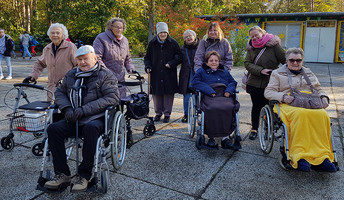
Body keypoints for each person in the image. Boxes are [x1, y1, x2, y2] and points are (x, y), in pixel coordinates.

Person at [43, 45, 120, 192]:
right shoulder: (71, 74)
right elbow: (59, 92)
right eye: (79, 60)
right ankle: (62, 174)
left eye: (86, 59)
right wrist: (67, 109)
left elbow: (112, 97)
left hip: (95, 118)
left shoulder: (105, 75)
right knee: (53, 129)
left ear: (95, 58)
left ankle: (84, 175)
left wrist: (84, 110)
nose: (83, 62)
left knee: (91, 129)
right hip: (73, 117)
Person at [264, 47, 337, 172]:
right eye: (292, 60)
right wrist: (282, 97)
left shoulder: (308, 72)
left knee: (322, 116)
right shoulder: (277, 73)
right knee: (300, 116)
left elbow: (318, 89)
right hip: (288, 103)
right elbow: (268, 92)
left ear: (302, 60)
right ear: (286, 60)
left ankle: (322, 156)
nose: (295, 63)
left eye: (299, 60)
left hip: (309, 102)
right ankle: (299, 155)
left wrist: (324, 97)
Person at [244, 25, 286, 140]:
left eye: (256, 35)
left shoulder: (274, 46)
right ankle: (254, 128)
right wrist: (260, 70)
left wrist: (279, 73)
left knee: (271, 106)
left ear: (262, 33)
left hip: (271, 83)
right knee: (256, 107)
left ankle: (268, 128)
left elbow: (286, 60)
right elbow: (247, 63)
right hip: (254, 82)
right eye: (252, 37)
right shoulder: (251, 47)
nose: (254, 38)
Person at [192, 51, 239, 149]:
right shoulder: (201, 71)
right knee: (212, 108)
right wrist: (209, 90)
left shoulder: (224, 71)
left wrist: (229, 91)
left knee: (229, 107)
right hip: (209, 96)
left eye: (216, 60)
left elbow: (233, 82)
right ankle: (211, 137)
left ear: (219, 61)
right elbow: (195, 82)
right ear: (207, 62)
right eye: (211, 60)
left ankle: (225, 138)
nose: (214, 62)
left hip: (224, 95)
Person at [23, 23, 77, 100]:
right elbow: (40, 63)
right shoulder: (47, 49)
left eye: (58, 33)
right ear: (49, 35)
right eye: (52, 33)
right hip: (51, 88)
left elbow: (78, 65)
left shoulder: (70, 47)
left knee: (66, 109)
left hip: (67, 86)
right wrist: (33, 76)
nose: (55, 35)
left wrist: (69, 78)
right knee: (51, 109)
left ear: (63, 35)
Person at [144, 22, 182, 123]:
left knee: (168, 94)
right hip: (156, 72)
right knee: (157, 94)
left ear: (167, 32)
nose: (163, 34)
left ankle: (167, 114)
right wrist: (148, 66)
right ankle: (158, 113)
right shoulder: (152, 43)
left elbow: (179, 56)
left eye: (165, 32)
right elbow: (147, 57)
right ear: (158, 33)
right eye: (161, 32)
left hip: (169, 73)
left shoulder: (173, 43)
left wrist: (171, 63)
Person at [93, 17, 135, 98]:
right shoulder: (101, 38)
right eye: (116, 27)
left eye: (121, 27)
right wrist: (106, 72)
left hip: (121, 78)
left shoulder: (125, 40)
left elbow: (127, 58)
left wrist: (131, 68)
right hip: (105, 78)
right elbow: (96, 57)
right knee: (109, 102)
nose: (119, 29)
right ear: (111, 27)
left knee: (121, 101)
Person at [179, 29, 199, 122]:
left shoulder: (201, 46)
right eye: (186, 37)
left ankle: (199, 111)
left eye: (190, 36)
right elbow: (177, 59)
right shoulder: (182, 49)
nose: (188, 38)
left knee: (199, 93)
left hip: (199, 73)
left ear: (194, 36)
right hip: (186, 75)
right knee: (186, 94)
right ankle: (186, 114)